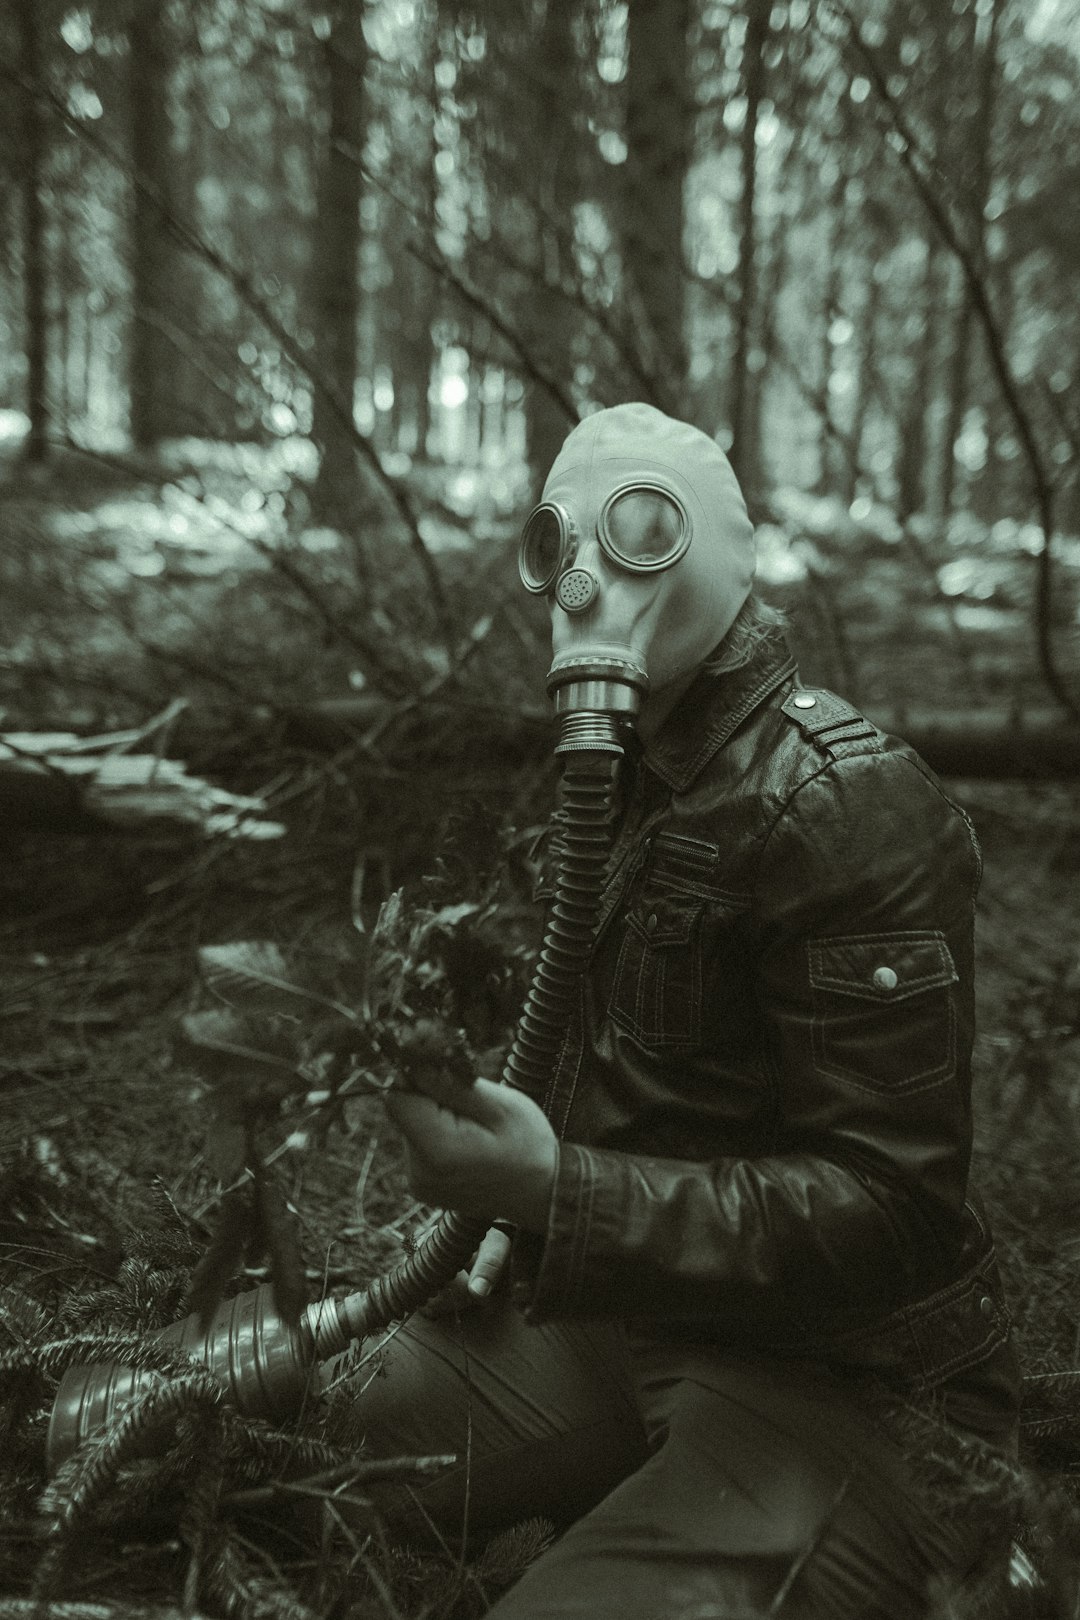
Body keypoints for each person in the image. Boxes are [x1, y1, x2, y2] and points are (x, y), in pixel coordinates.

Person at [349, 403, 1020, 1619]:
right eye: (557, 544)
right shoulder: (635, 778)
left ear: (716, 552)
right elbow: (616, 1047)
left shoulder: (850, 805)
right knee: (265, 1408)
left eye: (639, 531)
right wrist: (511, 1226)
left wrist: (557, 1192)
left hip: (849, 1388)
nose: (586, 580)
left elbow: (896, 1209)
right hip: (632, 1317)